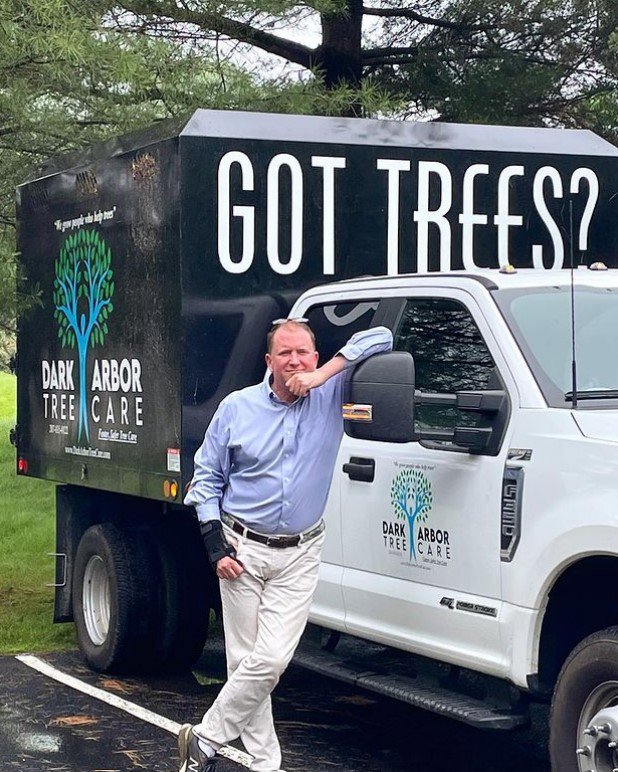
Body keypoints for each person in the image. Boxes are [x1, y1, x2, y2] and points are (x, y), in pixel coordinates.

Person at [179, 317, 393, 772]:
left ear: (314, 356)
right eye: (285, 353)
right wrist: (214, 546)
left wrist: (324, 374)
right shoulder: (238, 408)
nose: (294, 360)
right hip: (242, 548)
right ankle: (265, 764)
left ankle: (204, 738)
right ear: (269, 361)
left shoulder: (331, 393)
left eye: (303, 352)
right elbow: (206, 479)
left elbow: (383, 337)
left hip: (300, 553)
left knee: (270, 660)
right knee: (243, 664)